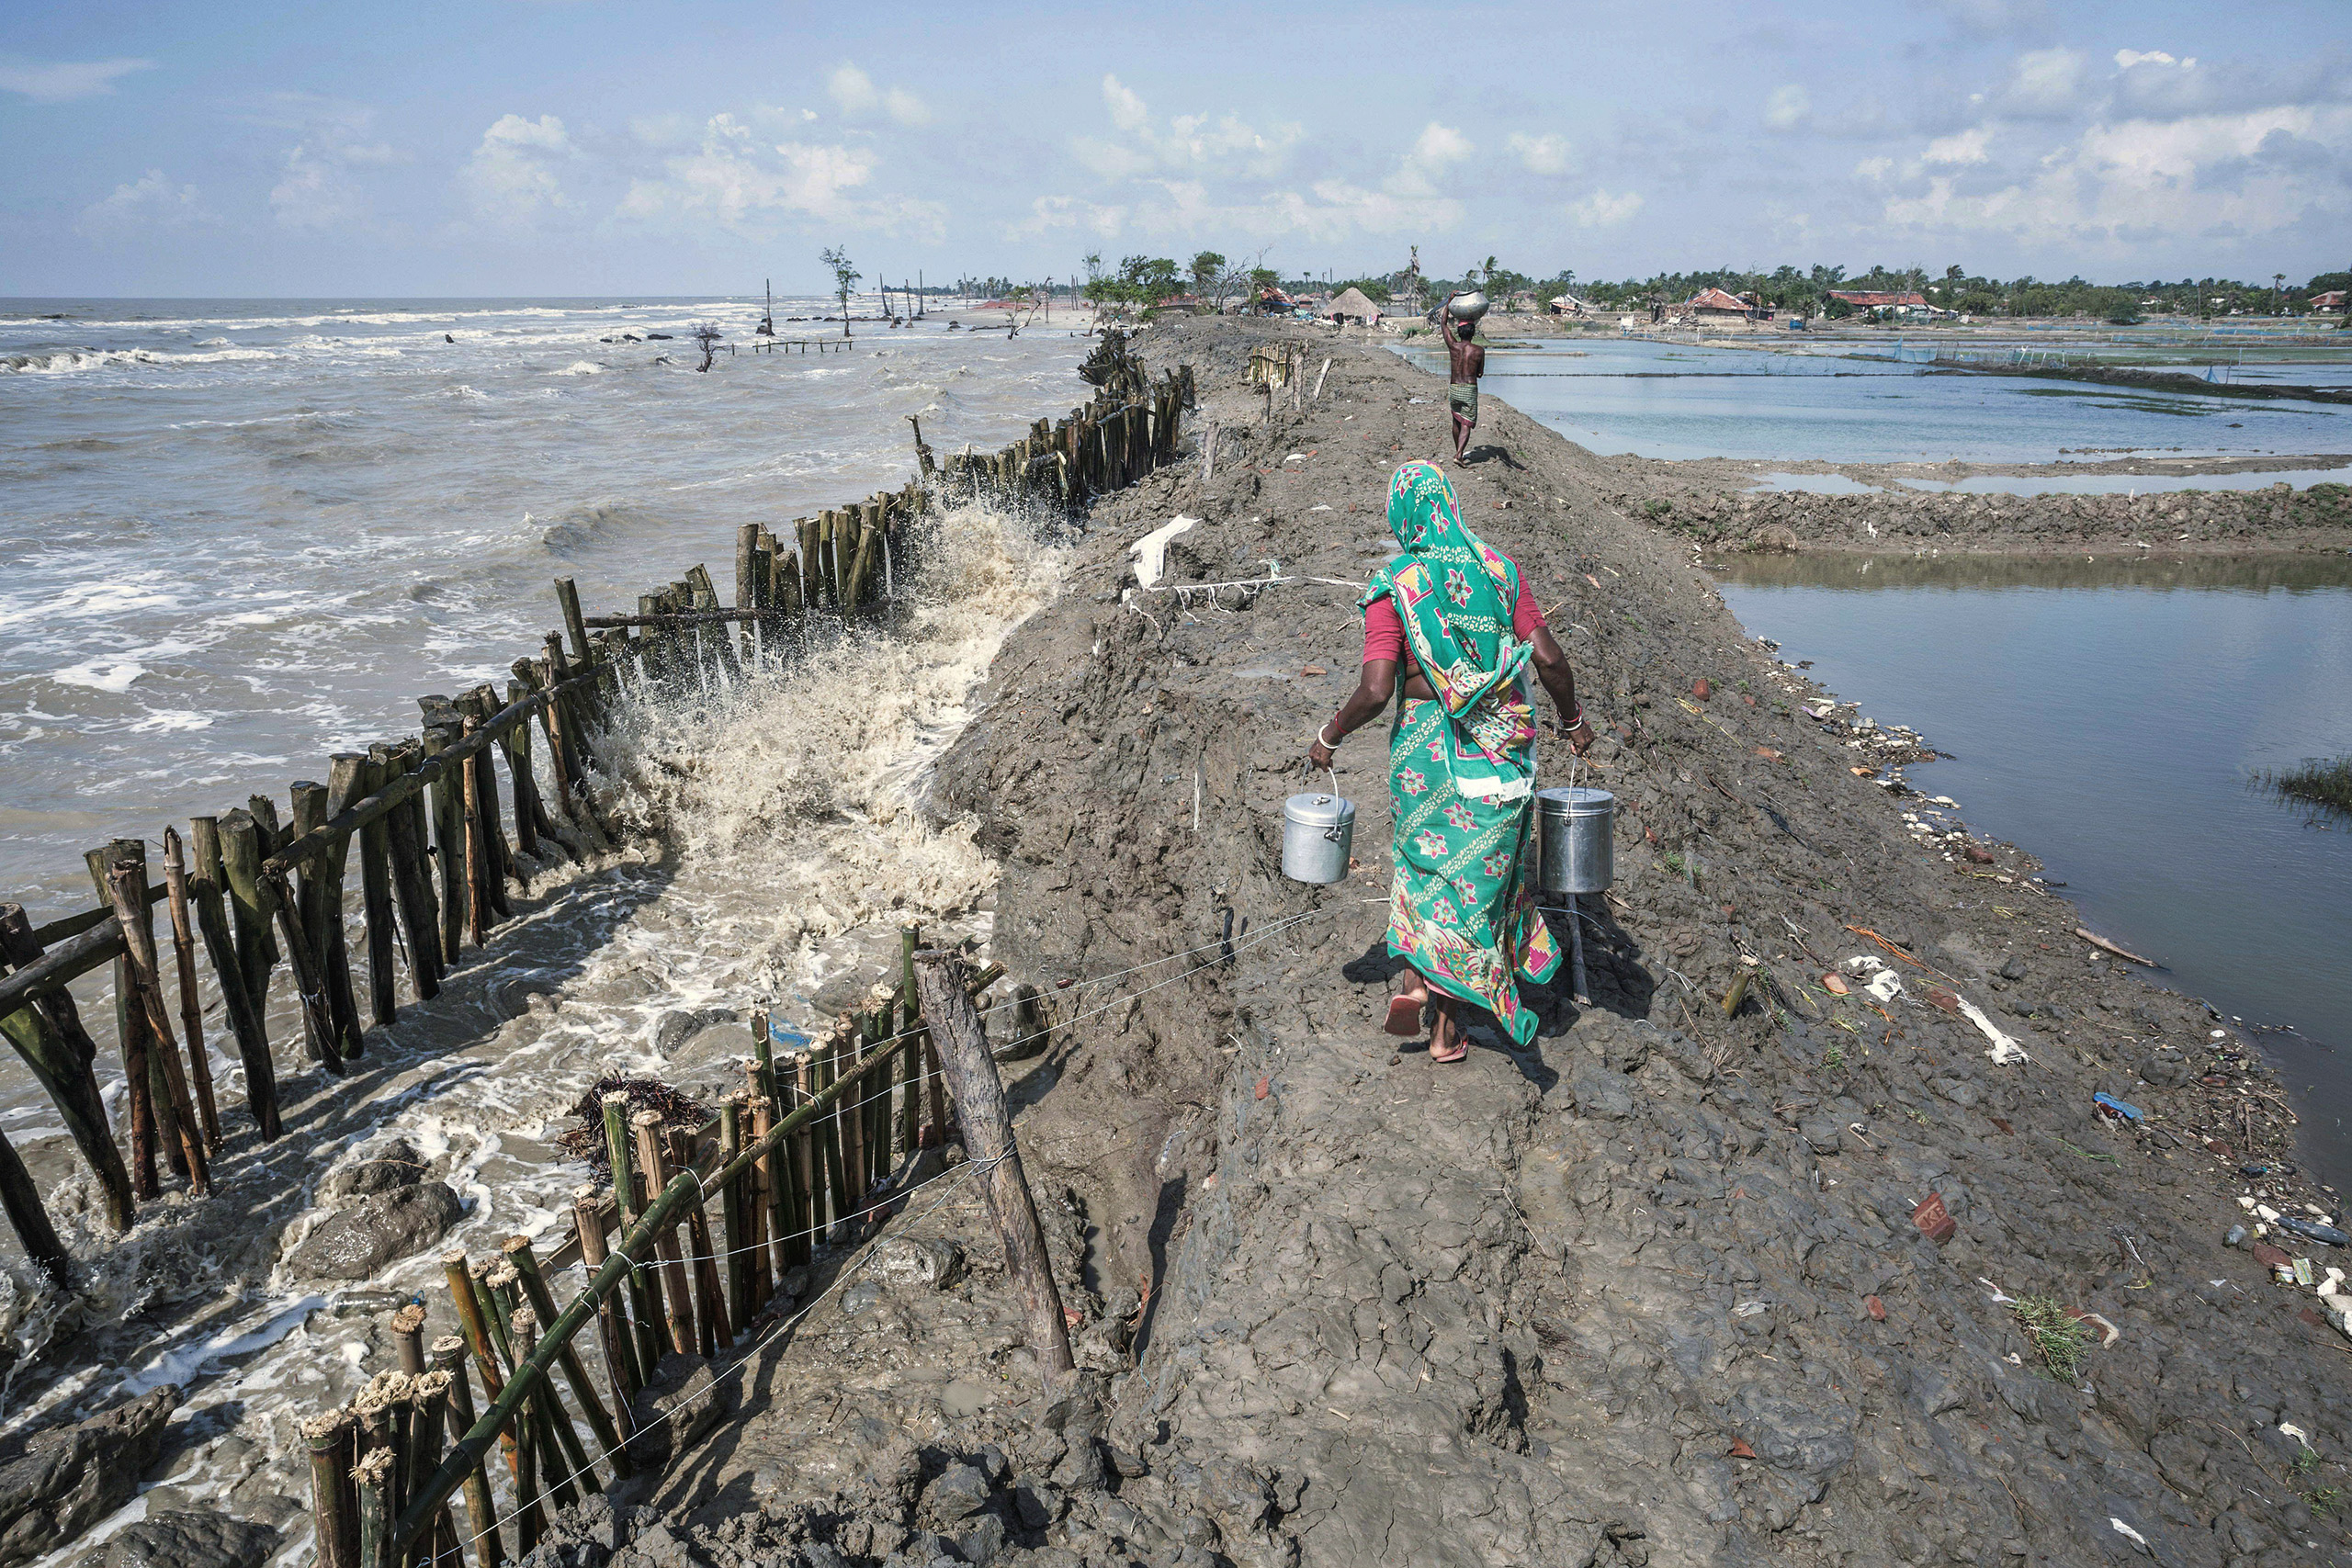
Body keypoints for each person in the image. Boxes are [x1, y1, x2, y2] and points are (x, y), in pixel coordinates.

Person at [1307, 461, 1596, 1062]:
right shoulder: (1501, 572)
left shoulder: (1398, 583)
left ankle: (1418, 981)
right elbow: (1547, 657)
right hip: (1496, 748)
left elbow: (1376, 689)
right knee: (1475, 883)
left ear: (1404, 516)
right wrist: (1573, 720)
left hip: (1424, 753)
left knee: (1425, 868)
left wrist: (1330, 736)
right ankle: (1444, 1027)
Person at [1439, 292, 1484, 462]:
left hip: (1455, 388)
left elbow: (1443, 324)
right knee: (1467, 422)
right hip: (1469, 388)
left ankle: (1457, 450)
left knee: (1456, 419)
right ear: (1473, 333)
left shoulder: (1453, 346)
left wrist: (1449, 302)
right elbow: (1480, 373)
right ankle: (1459, 454)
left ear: (1459, 331)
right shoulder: (1479, 350)